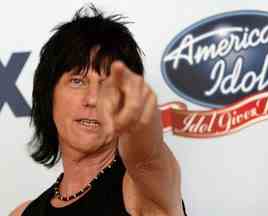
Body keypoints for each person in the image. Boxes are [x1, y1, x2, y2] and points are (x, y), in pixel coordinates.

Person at [10, 4, 187, 216]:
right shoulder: (24, 213)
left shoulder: (142, 189)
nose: (93, 99)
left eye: (108, 86)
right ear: (49, 94)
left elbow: (147, 157)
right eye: (77, 81)